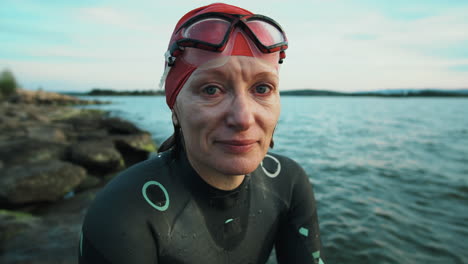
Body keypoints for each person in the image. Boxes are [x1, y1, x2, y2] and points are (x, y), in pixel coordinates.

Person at [79, 3, 324, 264]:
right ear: (175, 108)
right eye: (211, 90)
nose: (243, 117)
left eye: (262, 89)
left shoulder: (289, 181)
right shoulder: (123, 211)